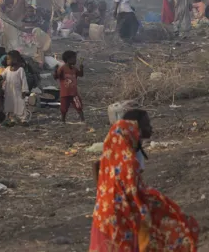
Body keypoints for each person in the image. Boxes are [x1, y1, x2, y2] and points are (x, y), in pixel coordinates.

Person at [90, 110, 199, 251]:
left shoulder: (116, 156)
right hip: (118, 219)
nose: (150, 128)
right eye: (147, 124)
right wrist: (150, 203)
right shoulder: (127, 160)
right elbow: (132, 190)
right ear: (136, 128)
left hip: (106, 217)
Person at [54, 50, 84, 123]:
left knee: (79, 106)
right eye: (74, 58)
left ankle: (83, 120)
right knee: (63, 108)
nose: (75, 60)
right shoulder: (62, 68)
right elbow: (56, 77)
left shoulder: (74, 69)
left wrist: (81, 68)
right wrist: (55, 71)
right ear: (68, 59)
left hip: (74, 93)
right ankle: (63, 120)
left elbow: (80, 74)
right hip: (65, 93)